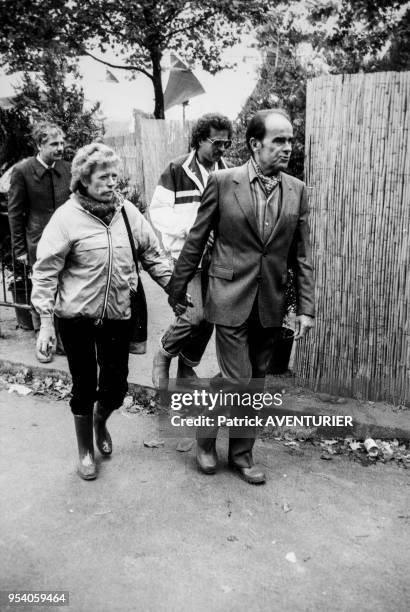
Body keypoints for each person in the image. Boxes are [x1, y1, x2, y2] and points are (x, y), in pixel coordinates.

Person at [166, 109, 315, 484]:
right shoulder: (221, 181)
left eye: (290, 140)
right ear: (254, 143)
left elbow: (302, 255)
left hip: (270, 301)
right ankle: (204, 440)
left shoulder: (297, 190)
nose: (287, 148)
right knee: (237, 378)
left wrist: (306, 309)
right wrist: (178, 287)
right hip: (228, 294)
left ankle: (242, 455)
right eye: (278, 140)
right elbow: (196, 239)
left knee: (256, 381)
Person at [31, 143, 183, 481]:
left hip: (118, 314)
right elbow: (45, 271)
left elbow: (153, 255)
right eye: (104, 177)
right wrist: (45, 322)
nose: (112, 182)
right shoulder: (67, 218)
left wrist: (175, 290)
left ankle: (100, 421)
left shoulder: (127, 212)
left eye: (115, 175)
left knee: (115, 388)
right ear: (83, 180)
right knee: (84, 385)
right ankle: (85, 449)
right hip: (76, 319)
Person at [150, 113, 232, 389]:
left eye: (226, 143)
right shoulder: (176, 170)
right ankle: (163, 355)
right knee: (193, 315)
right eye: (217, 142)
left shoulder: (228, 172)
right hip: (185, 256)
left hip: (217, 257)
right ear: (199, 140)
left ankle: (186, 368)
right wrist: (193, 229)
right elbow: (157, 212)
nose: (222, 149)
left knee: (210, 316)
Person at [8, 121, 71, 362]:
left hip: (67, 241)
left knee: (65, 288)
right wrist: (20, 249)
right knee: (42, 289)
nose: (60, 147)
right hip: (38, 241)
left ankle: (63, 339)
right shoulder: (23, 171)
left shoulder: (67, 168)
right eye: (54, 143)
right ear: (39, 144)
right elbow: (15, 213)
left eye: (62, 143)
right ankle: (42, 338)